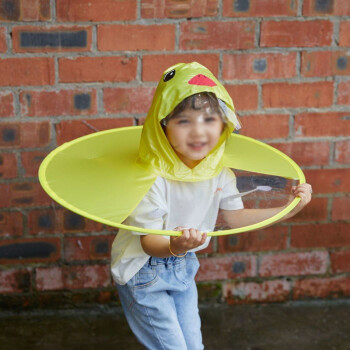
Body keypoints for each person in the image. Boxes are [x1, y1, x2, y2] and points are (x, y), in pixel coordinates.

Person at [111, 63, 312, 350]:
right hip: (143, 270)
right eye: (184, 122)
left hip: (184, 264)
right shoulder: (152, 177)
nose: (198, 132)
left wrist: (287, 210)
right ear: (162, 127)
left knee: (194, 346)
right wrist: (176, 245)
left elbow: (234, 217)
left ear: (224, 125)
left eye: (209, 120)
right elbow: (148, 242)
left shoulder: (218, 171)